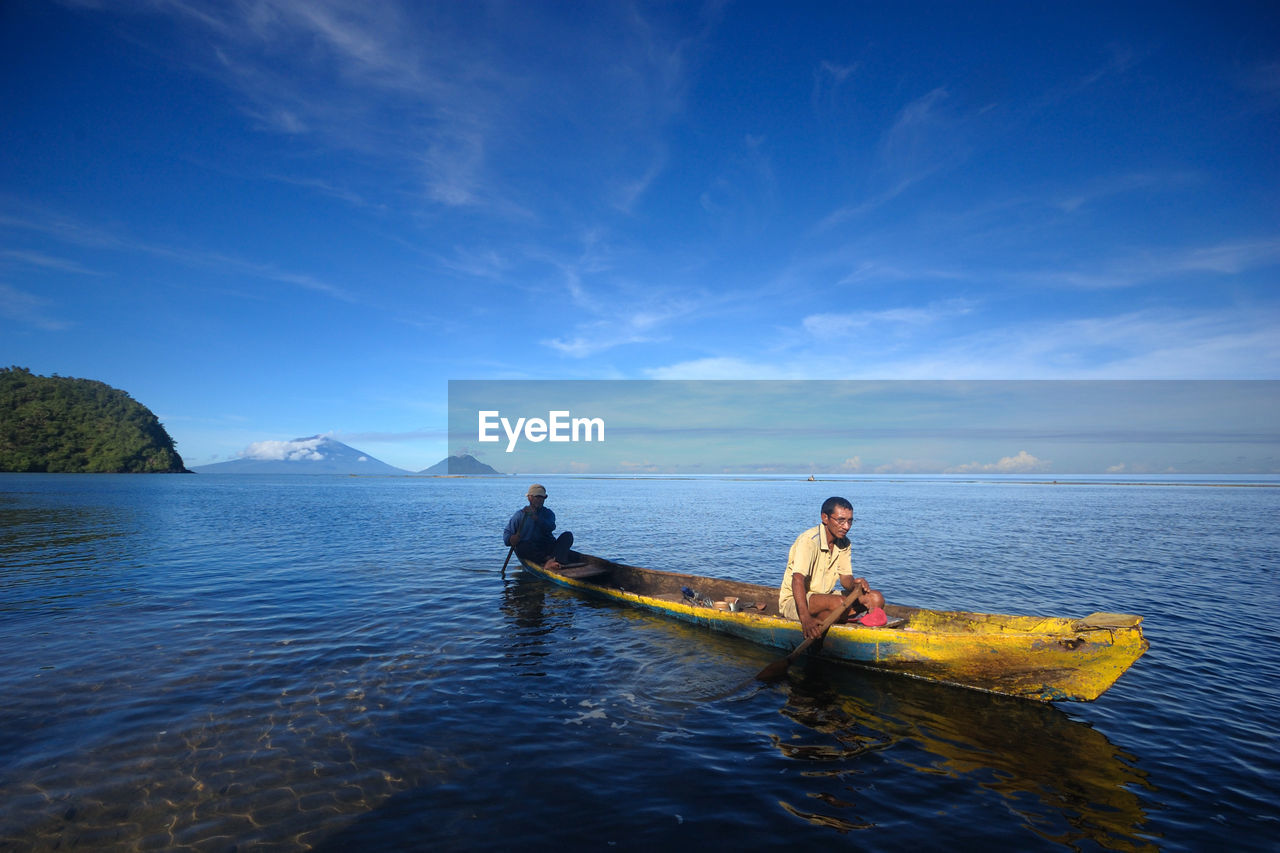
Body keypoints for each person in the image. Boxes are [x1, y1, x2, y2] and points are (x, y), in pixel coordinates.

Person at [778, 496, 885, 640]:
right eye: (841, 520)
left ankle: (832, 616)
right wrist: (805, 619)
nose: (846, 527)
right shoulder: (809, 541)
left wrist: (855, 585)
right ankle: (837, 616)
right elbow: (797, 579)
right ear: (825, 518)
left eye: (850, 521)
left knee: (876, 598)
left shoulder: (844, 542)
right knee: (839, 603)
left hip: (826, 595)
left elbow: (845, 578)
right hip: (797, 601)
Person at [503, 484, 574, 570]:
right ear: (530, 498)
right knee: (521, 547)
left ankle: (554, 559)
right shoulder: (520, 515)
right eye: (537, 497)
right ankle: (548, 560)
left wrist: (536, 518)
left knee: (568, 535)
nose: (540, 500)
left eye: (542, 498)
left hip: (548, 546)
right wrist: (511, 539)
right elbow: (507, 534)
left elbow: (550, 527)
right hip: (532, 550)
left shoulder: (548, 513)